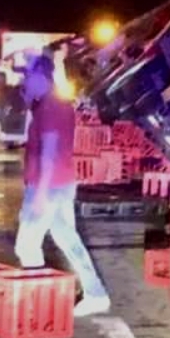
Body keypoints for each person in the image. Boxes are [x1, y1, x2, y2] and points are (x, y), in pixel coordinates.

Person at [14, 54, 111, 317]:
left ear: (41, 77)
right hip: (62, 182)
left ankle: (37, 303)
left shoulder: (50, 108)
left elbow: (49, 150)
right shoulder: (52, 104)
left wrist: (41, 193)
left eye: (28, 77)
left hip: (49, 185)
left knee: (26, 245)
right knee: (68, 239)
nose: (25, 82)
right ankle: (96, 294)